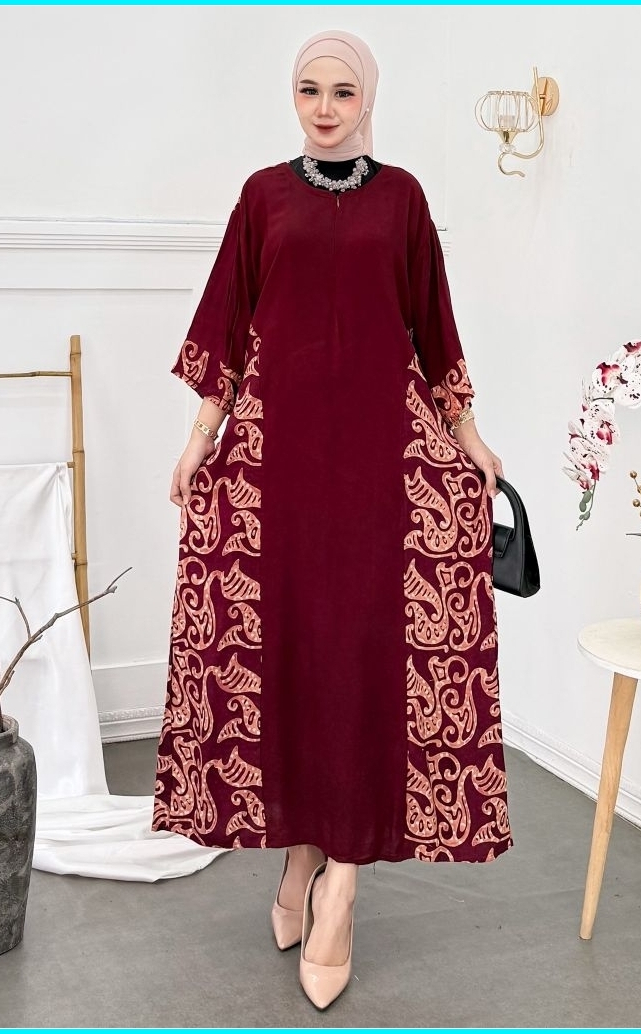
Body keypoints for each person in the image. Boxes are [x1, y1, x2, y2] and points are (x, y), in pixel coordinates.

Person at [152, 29, 513, 1010]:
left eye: (342, 91)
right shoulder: (262, 197)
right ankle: (299, 859)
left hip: (383, 474)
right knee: (298, 665)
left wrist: (468, 436)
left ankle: (339, 891)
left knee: (360, 667)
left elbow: (433, 326)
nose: (323, 107)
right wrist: (199, 439)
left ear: (368, 99)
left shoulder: (403, 201)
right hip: (277, 473)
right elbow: (229, 327)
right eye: (309, 89)